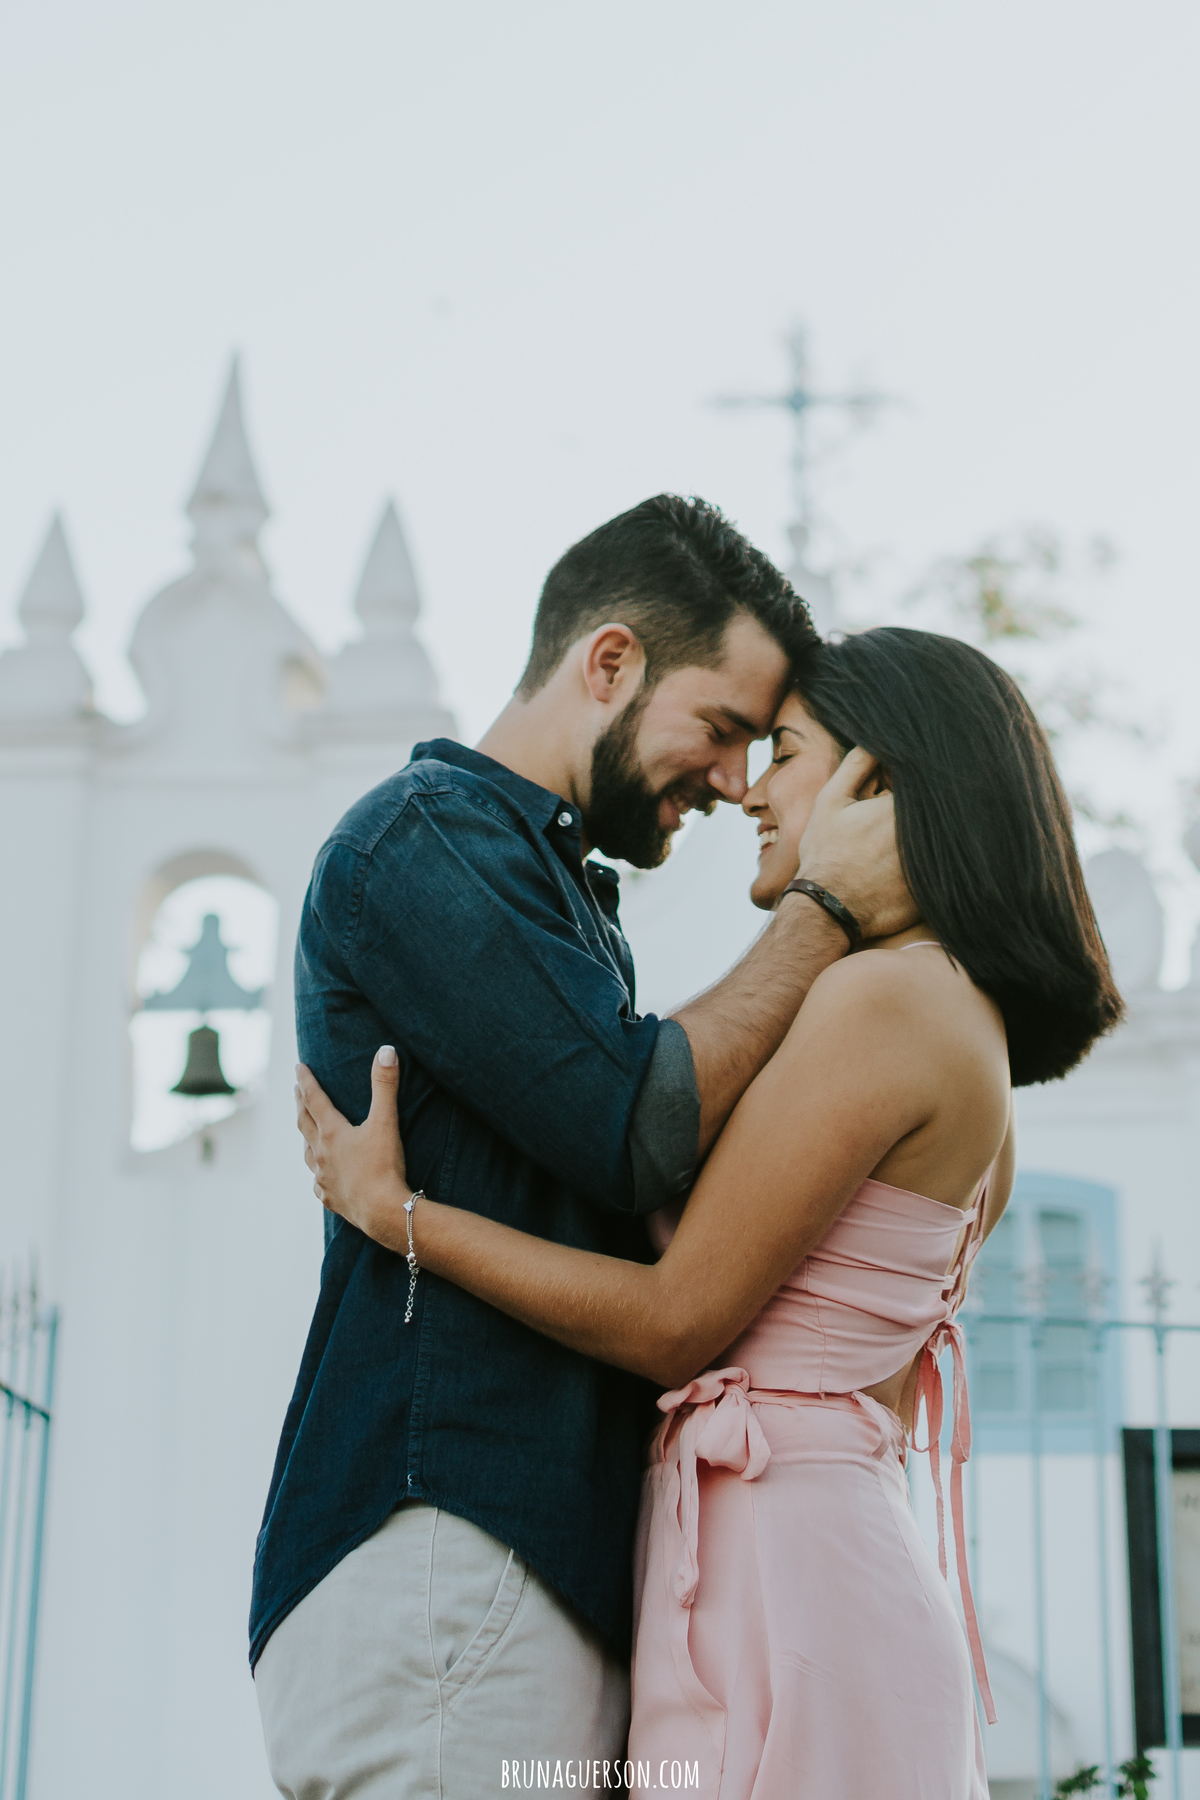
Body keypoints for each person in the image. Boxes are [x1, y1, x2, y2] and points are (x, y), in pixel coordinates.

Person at [297, 626, 1123, 1800]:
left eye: (782, 750)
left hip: (790, 1588)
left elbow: (676, 1317)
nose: (749, 791)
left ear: (876, 783)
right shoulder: (941, 1009)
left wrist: (401, 1216)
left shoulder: (887, 1001)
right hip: (780, 1565)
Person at [251, 496, 912, 1799]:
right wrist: (828, 908)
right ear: (608, 662)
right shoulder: (424, 839)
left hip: (519, 1576)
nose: (732, 784)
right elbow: (633, 1124)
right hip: (447, 1558)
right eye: (720, 729)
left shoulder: (552, 892)